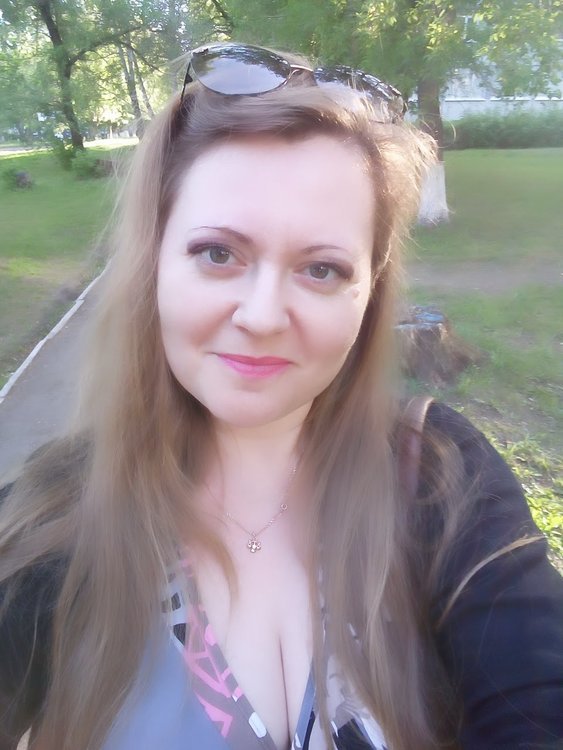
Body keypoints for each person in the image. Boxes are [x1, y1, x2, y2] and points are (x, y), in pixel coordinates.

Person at [0, 42, 562, 750]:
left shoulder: (438, 476)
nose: (263, 316)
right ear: (154, 262)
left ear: (369, 291)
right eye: (218, 253)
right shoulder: (54, 521)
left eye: (321, 269)